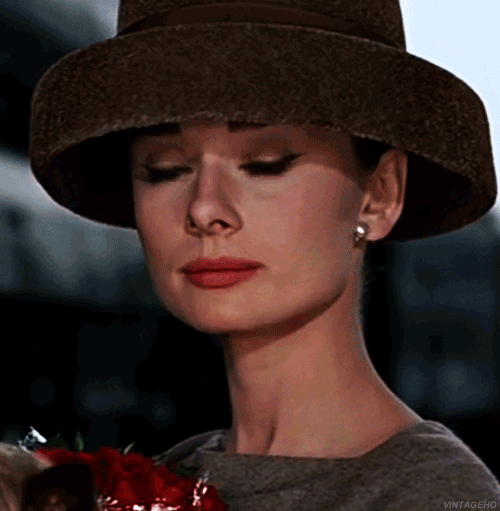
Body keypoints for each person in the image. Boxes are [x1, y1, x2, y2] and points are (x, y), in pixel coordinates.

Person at [24, 0, 500, 508]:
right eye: (164, 169)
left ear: (379, 194)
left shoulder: (436, 497)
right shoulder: (156, 478)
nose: (204, 209)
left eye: (266, 164)